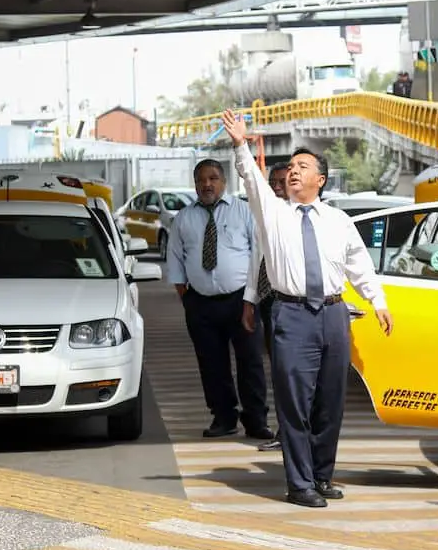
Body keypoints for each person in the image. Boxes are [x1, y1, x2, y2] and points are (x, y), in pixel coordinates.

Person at [221, 109, 394, 508]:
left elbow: (359, 264)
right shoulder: (273, 214)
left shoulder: (337, 220)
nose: (294, 172)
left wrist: (377, 301)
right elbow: (249, 176)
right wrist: (240, 144)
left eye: (303, 166)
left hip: (335, 316)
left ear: (321, 179)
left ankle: (321, 475)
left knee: (330, 403)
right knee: (294, 403)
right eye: (291, 167)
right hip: (293, 316)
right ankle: (299, 484)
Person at [167, 159, 275, 441]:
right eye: (201, 179)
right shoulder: (183, 219)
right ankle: (223, 417)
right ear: (195, 184)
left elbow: (258, 255)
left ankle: (256, 420)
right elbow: (176, 261)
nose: (207, 184)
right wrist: (188, 299)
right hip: (200, 303)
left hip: (242, 300)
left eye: (213, 178)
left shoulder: (244, 211)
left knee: (250, 361)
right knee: (211, 364)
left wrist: (252, 299)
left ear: (224, 182)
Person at [242, 161, 289, 452]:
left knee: (294, 372)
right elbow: (256, 258)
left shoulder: (302, 218)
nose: (277, 187)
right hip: (269, 301)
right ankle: (286, 431)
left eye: (283, 182)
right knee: (279, 369)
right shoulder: (265, 218)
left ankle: (299, 434)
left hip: (294, 303)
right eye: (273, 182)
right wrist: (249, 300)